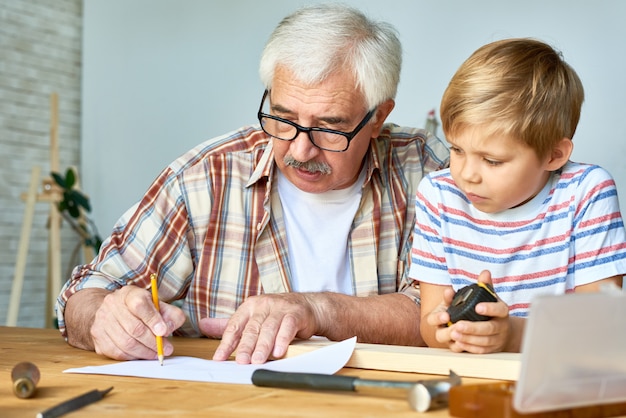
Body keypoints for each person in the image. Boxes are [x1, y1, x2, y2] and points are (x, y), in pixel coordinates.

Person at [56, 4, 449, 364]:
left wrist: (317, 309)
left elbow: (451, 313)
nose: (300, 149)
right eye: (283, 118)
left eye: (329, 128)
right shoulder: (206, 178)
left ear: (378, 117)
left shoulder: (428, 172)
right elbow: (86, 292)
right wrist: (104, 318)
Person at [407, 38, 626, 354]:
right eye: (457, 149)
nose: (467, 174)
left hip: (557, 384)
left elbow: (598, 329)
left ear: (553, 155)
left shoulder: (587, 193)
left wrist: (512, 336)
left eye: (492, 160)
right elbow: (428, 325)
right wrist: (447, 327)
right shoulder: (438, 196)